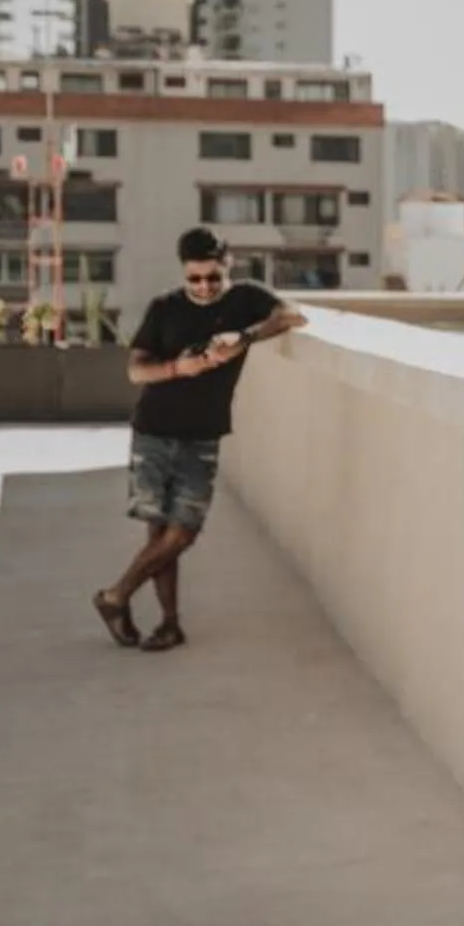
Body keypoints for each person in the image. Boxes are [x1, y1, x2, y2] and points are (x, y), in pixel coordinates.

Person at [93, 229, 306, 653]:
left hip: (202, 436)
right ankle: (169, 626)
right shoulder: (165, 307)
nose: (204, 286)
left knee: (183, 532)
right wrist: (178, 369)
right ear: (183, 272)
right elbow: (136, 370)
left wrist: (243, 337)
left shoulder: (245, 298)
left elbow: (291, 316)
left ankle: (115, 596)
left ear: (228, 266)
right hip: (153, 432)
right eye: (195, 278)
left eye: (213, 277)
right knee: (159, 534)